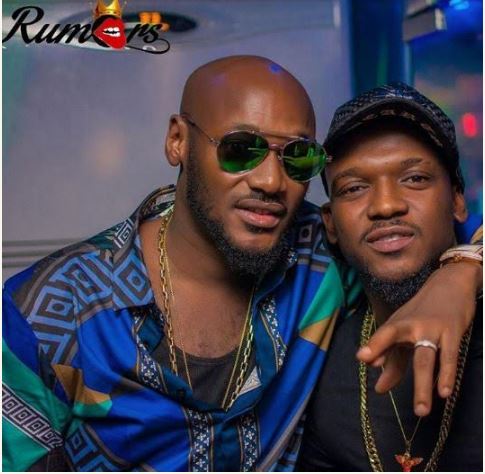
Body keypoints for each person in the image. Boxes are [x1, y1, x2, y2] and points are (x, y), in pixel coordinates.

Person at [2, 59, 481, 472]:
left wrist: (460, 270)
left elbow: (413, 231)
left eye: (297, 157)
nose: (271, 180)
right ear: (177, 141)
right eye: (240, 150)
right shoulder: (47, 313)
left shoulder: (319, 257)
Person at [297, 83, 482, 472]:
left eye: (414, 179)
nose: (385, 205)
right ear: (330, 223)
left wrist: (465, 267)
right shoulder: (317, 363)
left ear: (457, 199)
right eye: (354, 188)